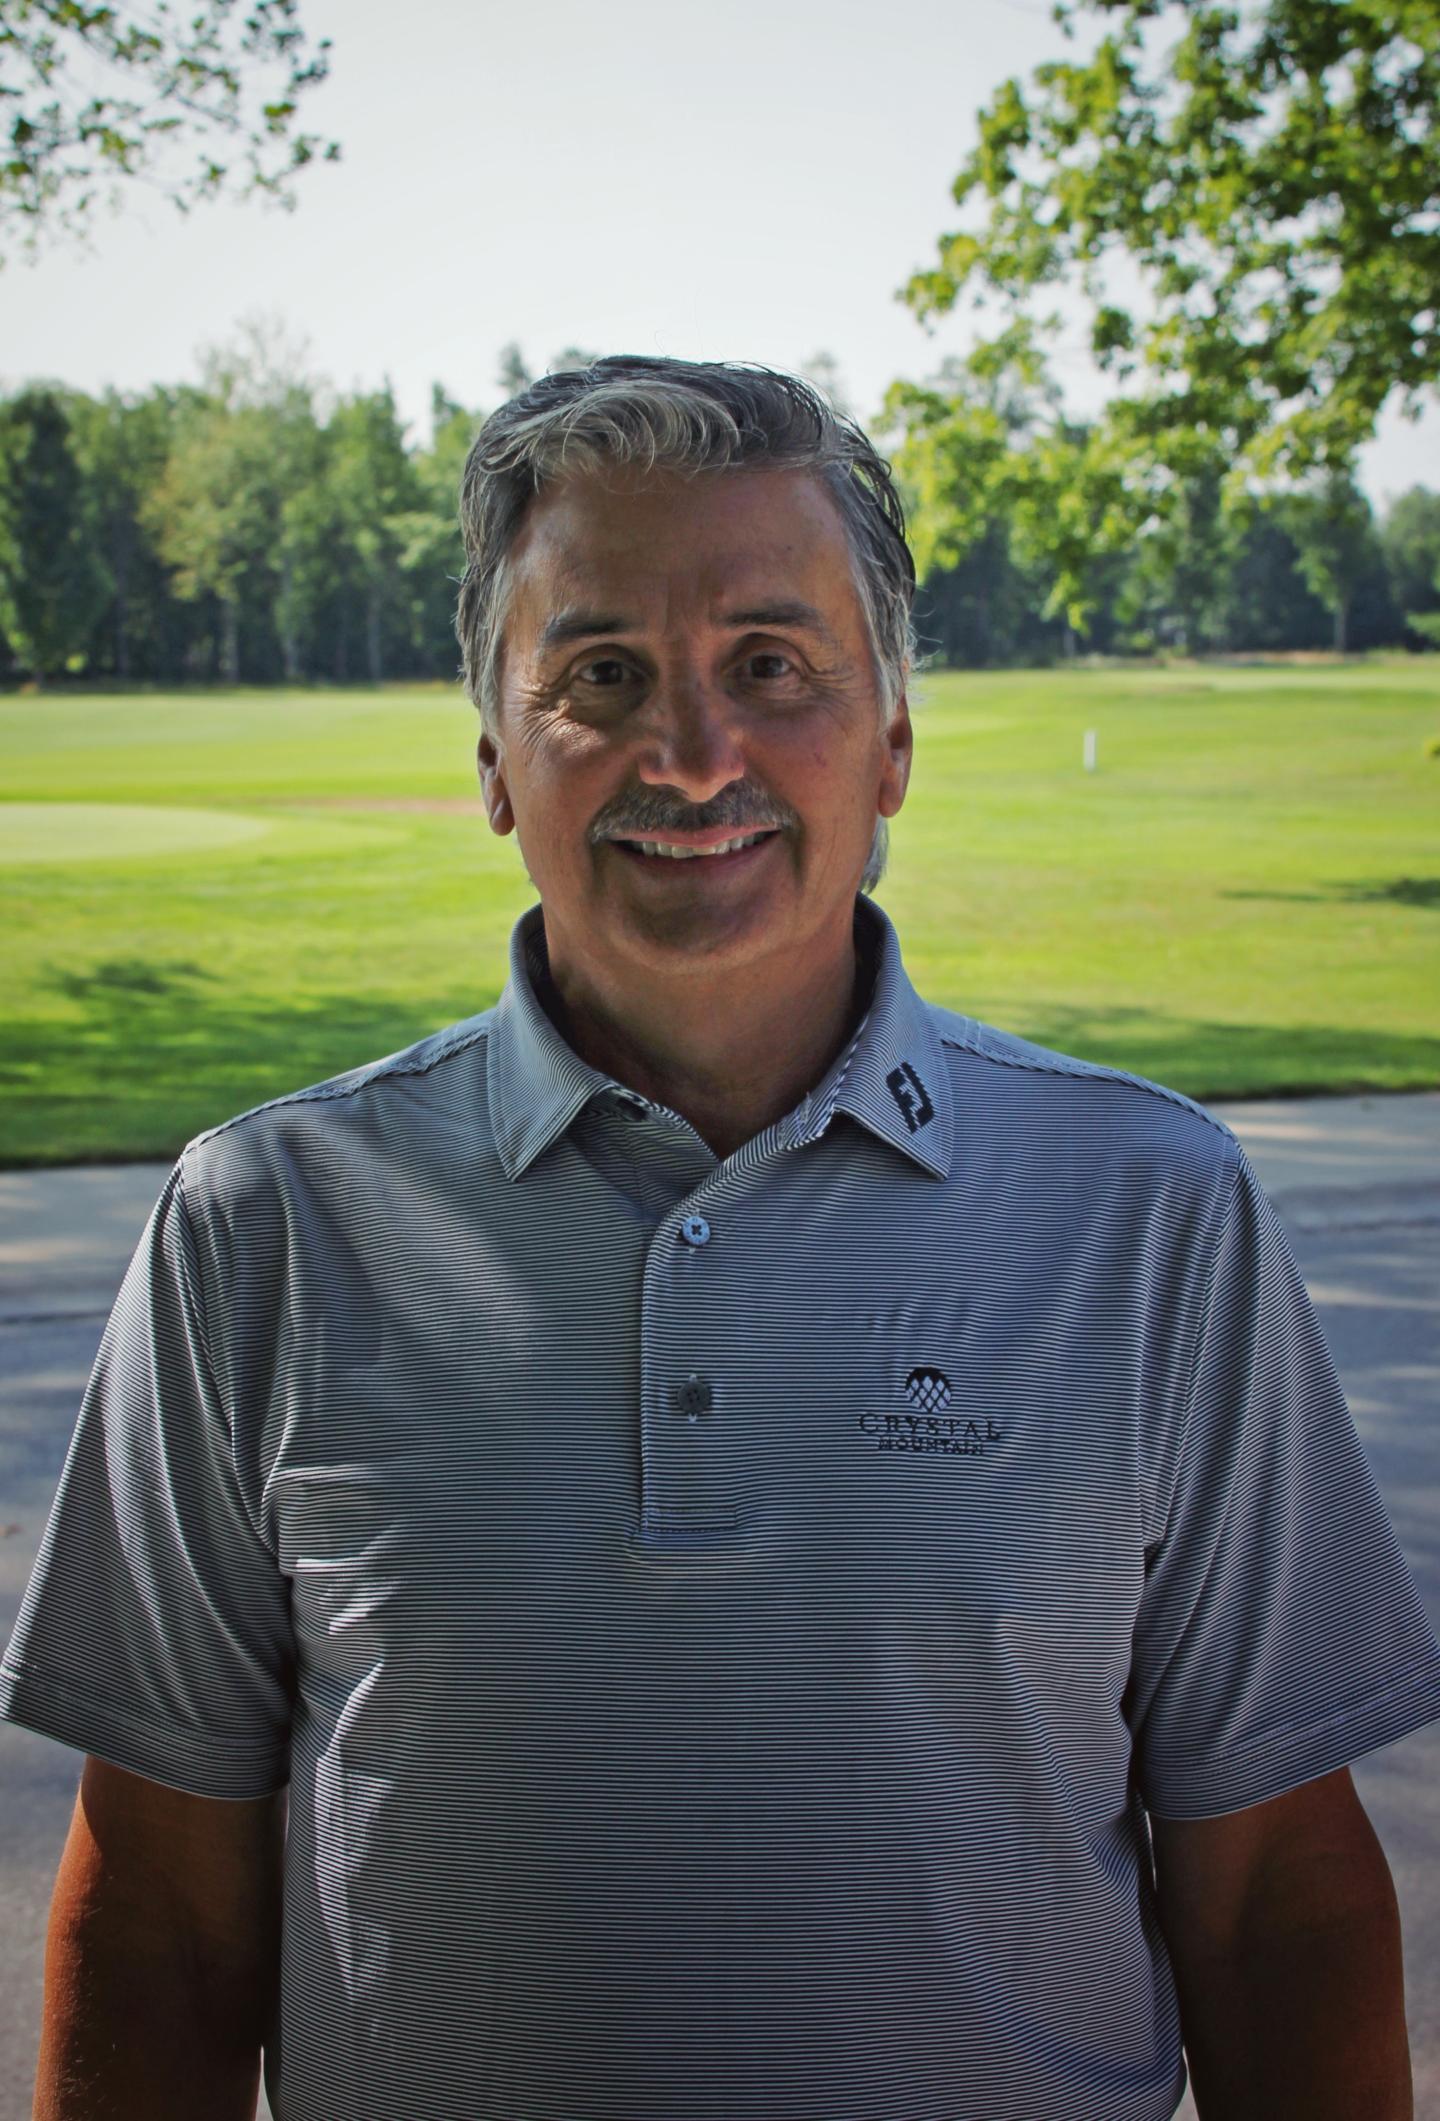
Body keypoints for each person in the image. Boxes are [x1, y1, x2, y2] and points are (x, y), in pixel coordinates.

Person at [3, 356, 1439, 2121]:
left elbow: (1279, 1889)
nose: (692, 755)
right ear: (493, 759)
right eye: (600, 676)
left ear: (894, 736)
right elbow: (156, 1914)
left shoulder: (1154, 1212)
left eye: (773, 664)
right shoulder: (263, 1228)